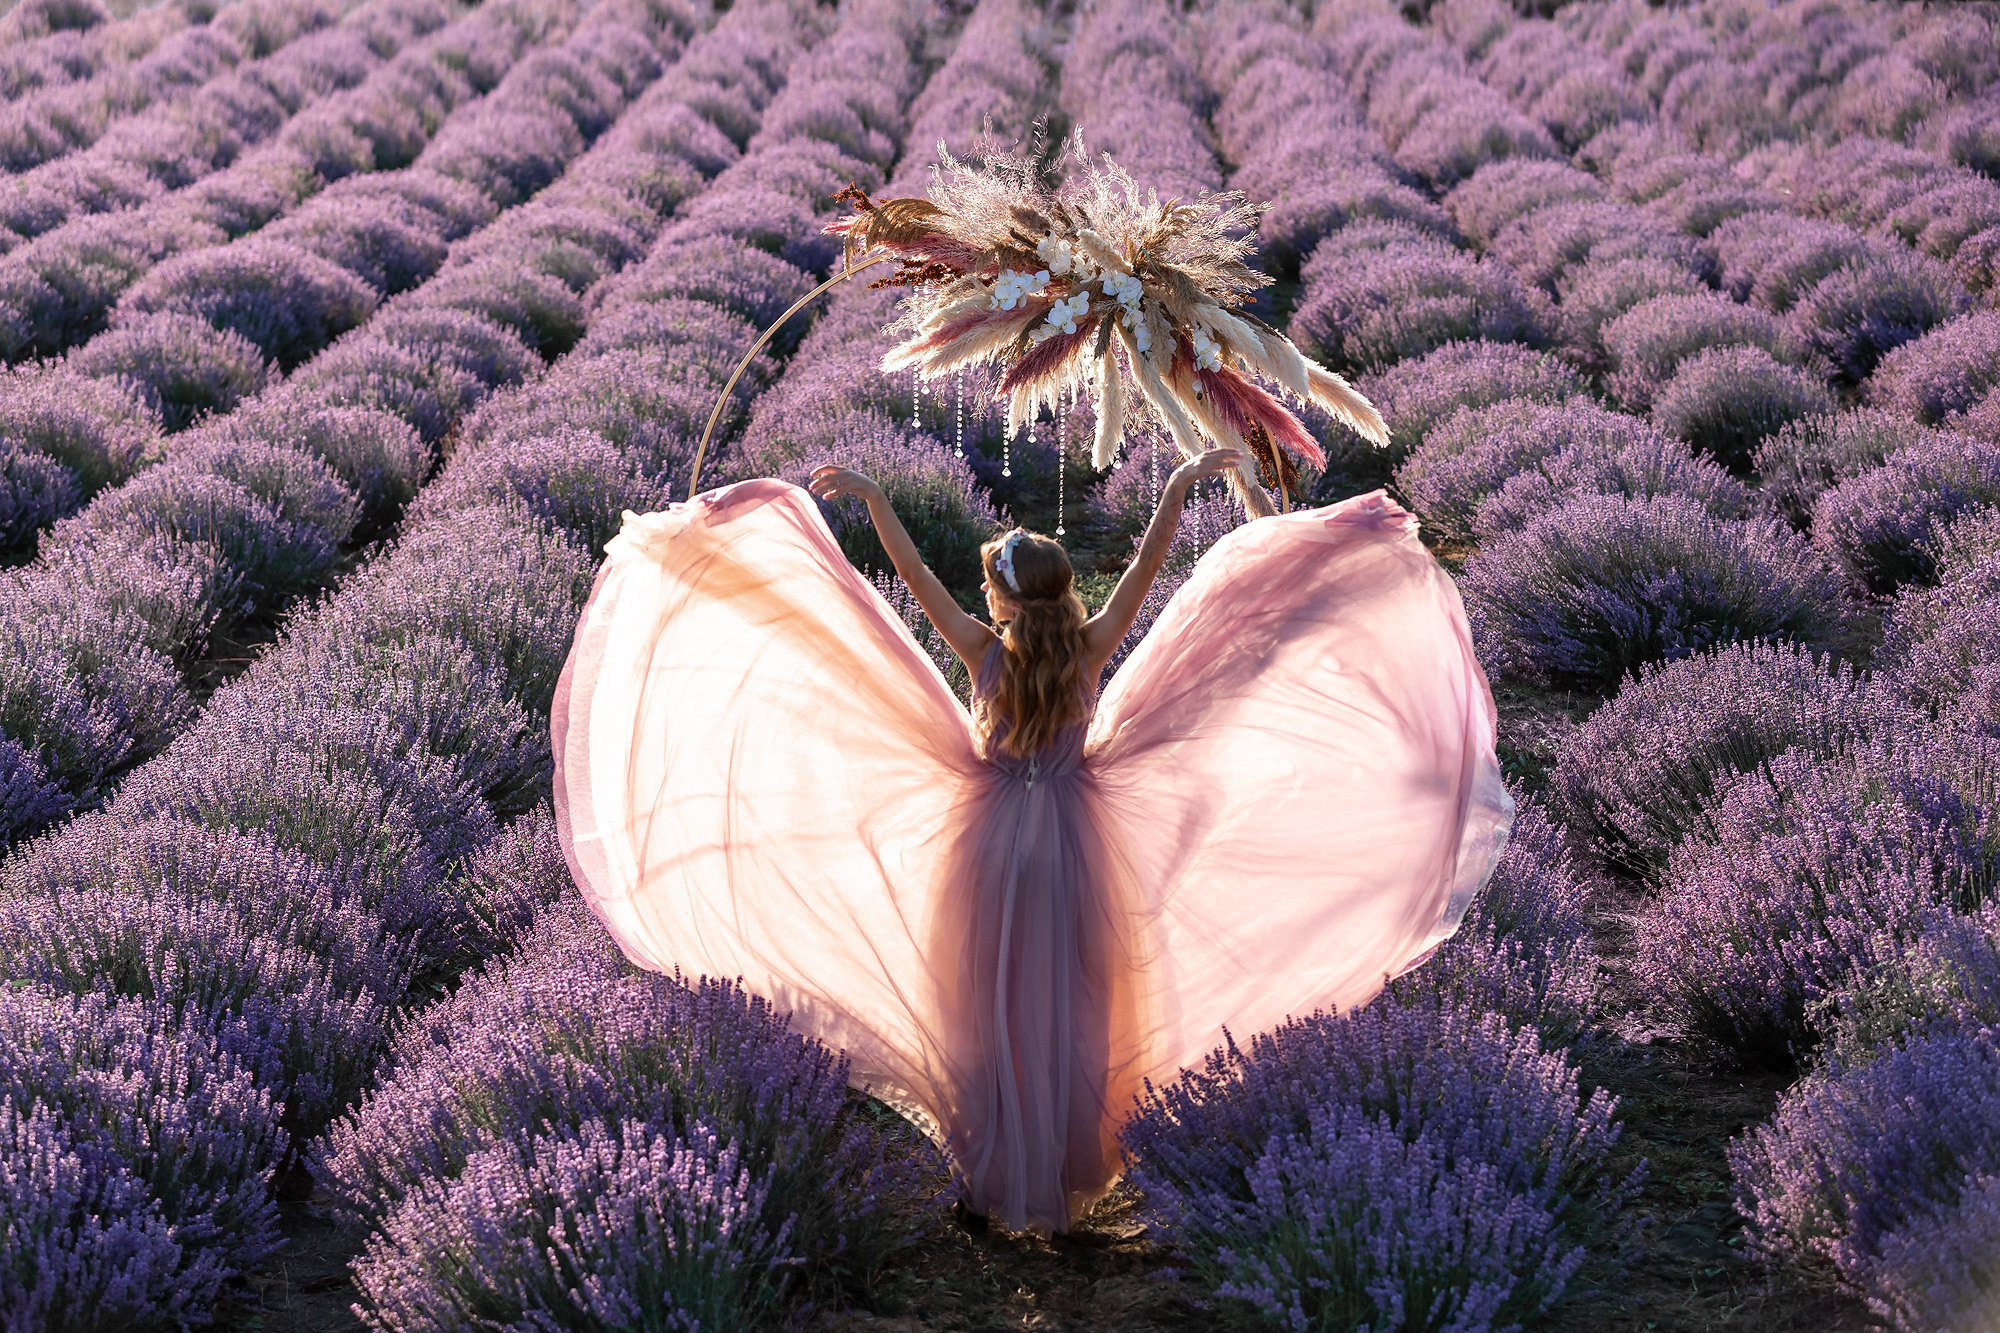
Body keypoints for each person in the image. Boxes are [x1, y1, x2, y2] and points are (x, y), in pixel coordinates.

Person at [552, 448, 1513, 1238]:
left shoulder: (980, 649)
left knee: (979, 998)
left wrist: (878, 501)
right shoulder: (1091, 647)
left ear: (1002, 601)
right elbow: (1145, 571)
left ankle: (984, 1180)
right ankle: (1068, 1180)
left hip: (989, 841)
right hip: (1073, 839)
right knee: (1076, 996)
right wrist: (1177, 493)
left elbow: (914, 582)